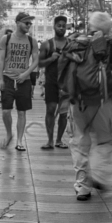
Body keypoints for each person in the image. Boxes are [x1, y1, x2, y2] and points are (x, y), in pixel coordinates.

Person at [64, 12, 112, 201]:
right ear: (108, 29)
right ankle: (98, 175)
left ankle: (83, 186)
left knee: (79, 142)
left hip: (78, 101)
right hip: (103, 101)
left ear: (89, 26)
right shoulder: (110, 45)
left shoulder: (77, 42)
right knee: (106, 140)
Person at [0, 15, 38, 151]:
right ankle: (9, 134)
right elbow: (0, 60)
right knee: (6, 111)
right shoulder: (6, 39)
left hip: (24, 81)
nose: (28, 25)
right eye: (26, 23)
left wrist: (26, 74)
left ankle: (19, 141)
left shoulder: (32, 41)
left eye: (30, 23)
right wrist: (0, 79)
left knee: (22, 112)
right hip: (8, 79)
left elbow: (36, 61)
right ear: (18, 23)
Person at [38, 15, 70, 150]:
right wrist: (51, 59)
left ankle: (59, 140)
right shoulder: (47, 44)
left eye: (64, 26)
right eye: (59, 25)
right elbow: (39, 63)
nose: (61, 28)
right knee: (50, 110)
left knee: (63, 113)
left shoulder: (71, 44)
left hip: (67, 84)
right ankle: (50, 140)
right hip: (51, 82)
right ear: (54, 27)